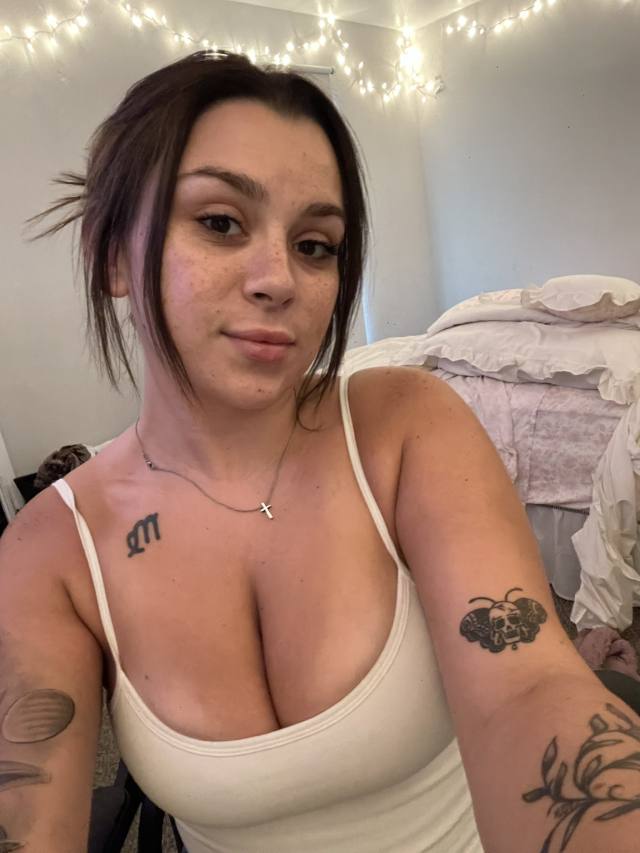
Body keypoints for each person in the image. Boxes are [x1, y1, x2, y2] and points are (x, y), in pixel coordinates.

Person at [1, 50, 639, 853]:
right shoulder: (51, 548)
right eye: (220, 222)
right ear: (110, 256)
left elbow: (530, 688)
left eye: (315, 244)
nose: (280, 280)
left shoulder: (408, 426)